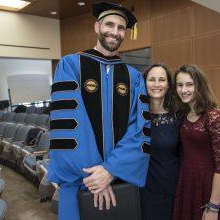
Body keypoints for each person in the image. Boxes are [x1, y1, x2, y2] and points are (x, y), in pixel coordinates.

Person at [48, 2, 150, 220]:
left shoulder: (133, 77)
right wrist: (97, 177)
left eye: (121, 27)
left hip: (121, 179)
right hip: (80, 180)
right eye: (109, 25)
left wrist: (111, 170)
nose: (115, 32)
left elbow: (140, 129)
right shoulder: (70, 65)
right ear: (97, 27)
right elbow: (68, 127)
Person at [173, 65, 220, 220]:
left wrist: (213, 207)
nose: (184, 90)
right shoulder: (184, 113)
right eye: (180, 85)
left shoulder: (213, 117)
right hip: (187, 181)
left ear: (199, 86)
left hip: (208, 184)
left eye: (189, 84)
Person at [140, 64, 182, 220]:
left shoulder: (178, 117)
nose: (156, 84)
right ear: (144, 83)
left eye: (161, 80)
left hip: (169, 185)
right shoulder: (134, 115)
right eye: (152, 79)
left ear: (168, 84)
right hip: (140, 186)